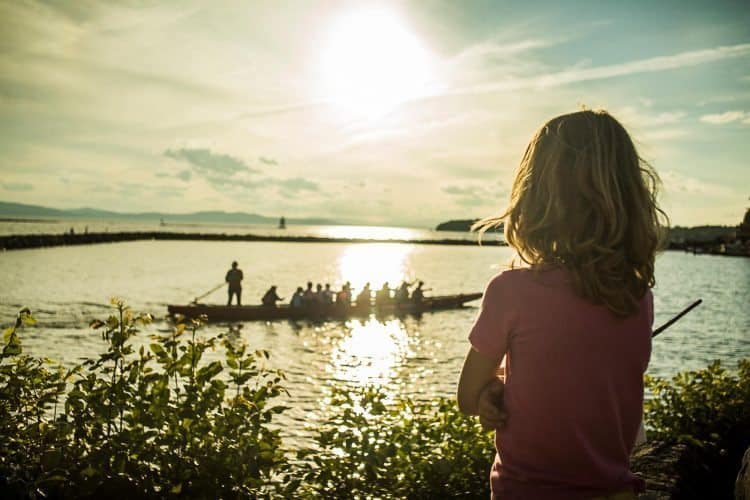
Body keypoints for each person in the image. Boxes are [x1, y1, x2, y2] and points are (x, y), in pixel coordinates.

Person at [457, 110, 666, 499]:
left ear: (536, 197)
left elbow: (468, 397)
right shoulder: (637, 297)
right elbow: (588, 384)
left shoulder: (510, 291)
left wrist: (491, 393)